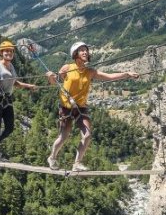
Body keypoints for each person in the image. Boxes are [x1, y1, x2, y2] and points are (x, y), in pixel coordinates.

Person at [45, 41, 139, 171]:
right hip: (66, 107)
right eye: (81, 50)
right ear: (75, 54)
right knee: (63, 136)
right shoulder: (67, 68)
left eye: (86, 50)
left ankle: (77, 163)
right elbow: (55, 81)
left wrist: (126, 74)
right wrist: (50, 77)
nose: (85, 52)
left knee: (87, 135)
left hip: (81, 107)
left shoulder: (90, 72)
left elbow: (110, 77)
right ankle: (52, 157)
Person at [0, 40, 38, 161]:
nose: (9, 53)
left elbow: (15, 83)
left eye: (11, 51)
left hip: (7, 99)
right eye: (6, 51)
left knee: (10, 128)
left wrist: (28, 86)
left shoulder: (11, 67)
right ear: (1, 52)